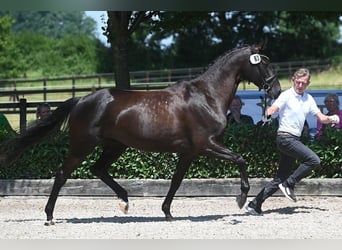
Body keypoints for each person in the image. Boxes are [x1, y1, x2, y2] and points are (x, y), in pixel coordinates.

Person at [245, 68, 340, 215]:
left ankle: (254, 204)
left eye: (303, 83)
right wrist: (268, 114)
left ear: (308, 84)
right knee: (313, 160)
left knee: (280, 178)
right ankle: (289, 184)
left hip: (293, 139)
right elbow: (273, 108)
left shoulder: (308, 99)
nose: (300, 85)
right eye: (298, 82)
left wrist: (332, 118)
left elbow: (321, 118)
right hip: (285, 138)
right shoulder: (287, 95)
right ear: (293, 80)